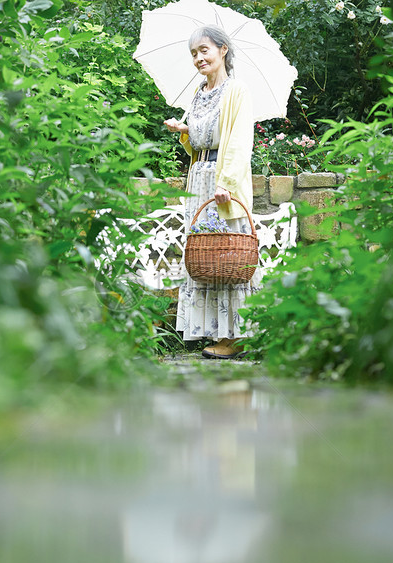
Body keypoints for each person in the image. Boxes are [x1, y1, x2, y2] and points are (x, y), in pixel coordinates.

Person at [164, 25, 261, 360]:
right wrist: (186, 130)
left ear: (222, 50)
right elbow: (202, 138)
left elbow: (238, 141)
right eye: (193, 53)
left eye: (204, 50)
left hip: (222, 182)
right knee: (205, 254)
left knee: (229, 255)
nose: (198, 58)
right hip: (199, 178)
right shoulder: (198, 92)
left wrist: (227, 183)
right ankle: (210, 330)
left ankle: (237, 336)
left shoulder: (237, 90)